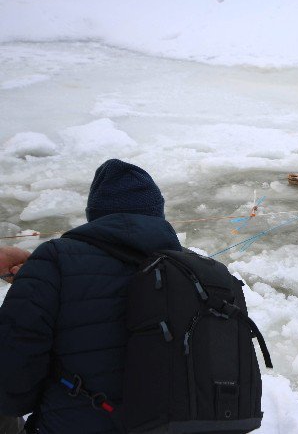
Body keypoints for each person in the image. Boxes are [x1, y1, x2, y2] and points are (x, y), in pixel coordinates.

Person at [0, 159, 182, 433]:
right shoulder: (192, 271)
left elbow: (12, 378)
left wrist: (38, 277)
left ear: (94, 213)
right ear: (157, 213)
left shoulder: (55, 258)